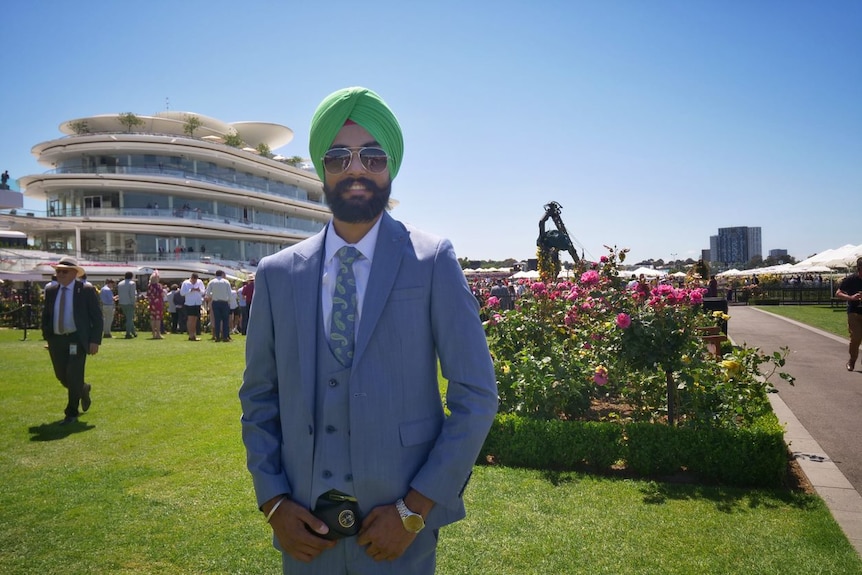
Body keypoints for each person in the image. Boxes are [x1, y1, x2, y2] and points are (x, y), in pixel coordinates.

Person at [239, 86, 498, 575]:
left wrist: (414, 510)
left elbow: (476, 396)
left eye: (373, 156)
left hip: (398, 536)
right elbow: (259, 399)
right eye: (339, 156)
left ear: (391, 166)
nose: (356, 169)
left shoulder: (432, 260)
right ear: (321, 167)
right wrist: (273, 502)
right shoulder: (276, 274)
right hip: (305, 538)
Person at [41, 256, 102, 424]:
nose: (59, 274)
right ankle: (82, 389)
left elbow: (96, 317)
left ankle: (71, 413)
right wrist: (48, 336)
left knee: (74, 374)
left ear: (74, 273)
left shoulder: (86, 290)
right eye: (58, 271)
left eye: (64, 271)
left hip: (76, 339)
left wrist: (95, 340)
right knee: (62, 376)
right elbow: (47, 315)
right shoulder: (52, 291)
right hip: (56, 340)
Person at [835, 256, 862, 372]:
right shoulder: (851, 280)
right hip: (854, 313)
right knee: (856, 337)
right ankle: (852, 360)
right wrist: (850, 297)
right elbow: (838, 293)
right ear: (858, 268)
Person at [205, 269, 233, 342]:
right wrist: (229, 302)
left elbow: (207, 294)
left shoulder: (212, 282)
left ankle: (217, 337)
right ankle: (225, 337)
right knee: (225, 320)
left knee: (217, 320)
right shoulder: (226, 282)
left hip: (216, 302)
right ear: (222, 274)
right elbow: (230, 294)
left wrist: (214, 294)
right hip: (224, 302)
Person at [180, 272, 205, 340]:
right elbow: (182, 293)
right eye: (193, 280)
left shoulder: (200, 282)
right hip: (189, 303)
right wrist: (190, 290)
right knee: (190, 319)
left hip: (197, 302)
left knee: (195, 319)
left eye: (195, 280)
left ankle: (194, 334)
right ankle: (190, 334)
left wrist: (199, 290)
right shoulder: (185, 283)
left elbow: (203, 291)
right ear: (191, 278)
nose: (194, 282)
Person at [117, 271, 138, 339]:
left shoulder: (120, 283)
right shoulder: (132, 283)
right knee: (129, 319)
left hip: (122, 302)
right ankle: (128, 333)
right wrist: (134, 302)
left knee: (129, 318)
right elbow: (132, 294)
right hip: (129, 303)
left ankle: (133, 332)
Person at [147, 272, 165, 339]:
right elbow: (162, 294)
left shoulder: (149, 286)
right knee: (158, 318)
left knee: (152, 318)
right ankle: (158, 333)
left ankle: (153, 334)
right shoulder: (159, 286)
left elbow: (148, 295)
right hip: (158, 303)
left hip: (152, 303)